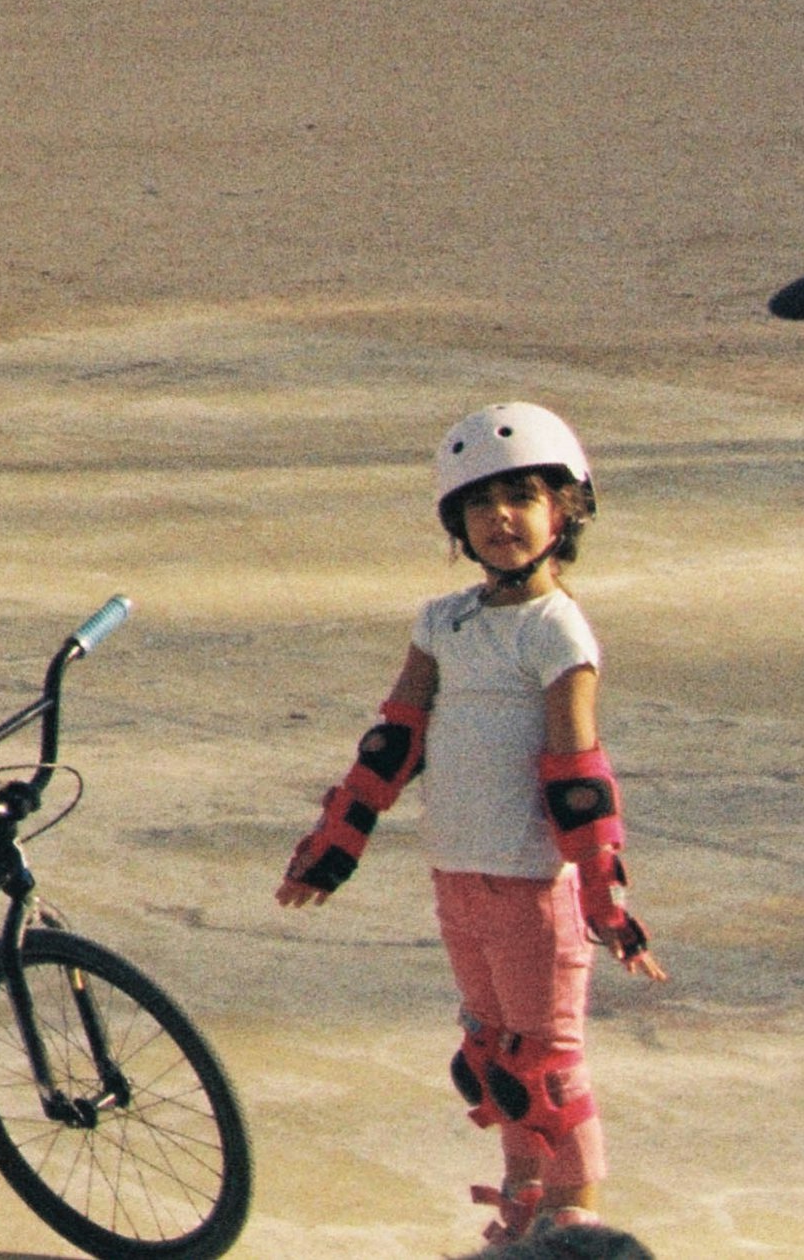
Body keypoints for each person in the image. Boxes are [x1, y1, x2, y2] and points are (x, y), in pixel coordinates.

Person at [278, 403, 662, 1242]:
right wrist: (331, 849)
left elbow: (578, 776)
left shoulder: (558, 630)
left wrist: (605, 901)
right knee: (493, 1056)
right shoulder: (442, 621)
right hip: (457, 873)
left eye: (521, 497)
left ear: (565, 512)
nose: (500, 518)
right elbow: (393, 745)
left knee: (549, 1069)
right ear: (456, 523)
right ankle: (526, 1216)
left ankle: (577, 1234)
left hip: (530, 883)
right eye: (479, 503)